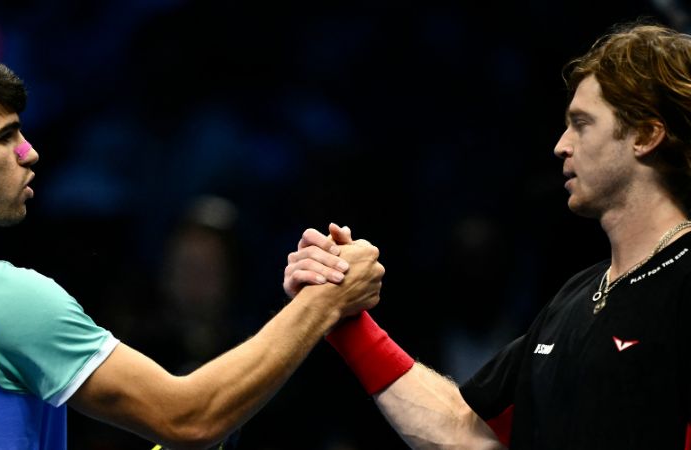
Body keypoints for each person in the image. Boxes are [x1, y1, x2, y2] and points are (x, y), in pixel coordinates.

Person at [0, 49, 385, 450]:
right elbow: (189, 419)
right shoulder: (2, 302)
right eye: (6, 136)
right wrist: (325, 299)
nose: (30, 152)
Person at [284, 22, 691, 449]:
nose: (561, 145)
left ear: (645, 135)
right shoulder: (577, 296)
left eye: (582, 123)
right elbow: (468, 433)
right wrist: (343, 316)